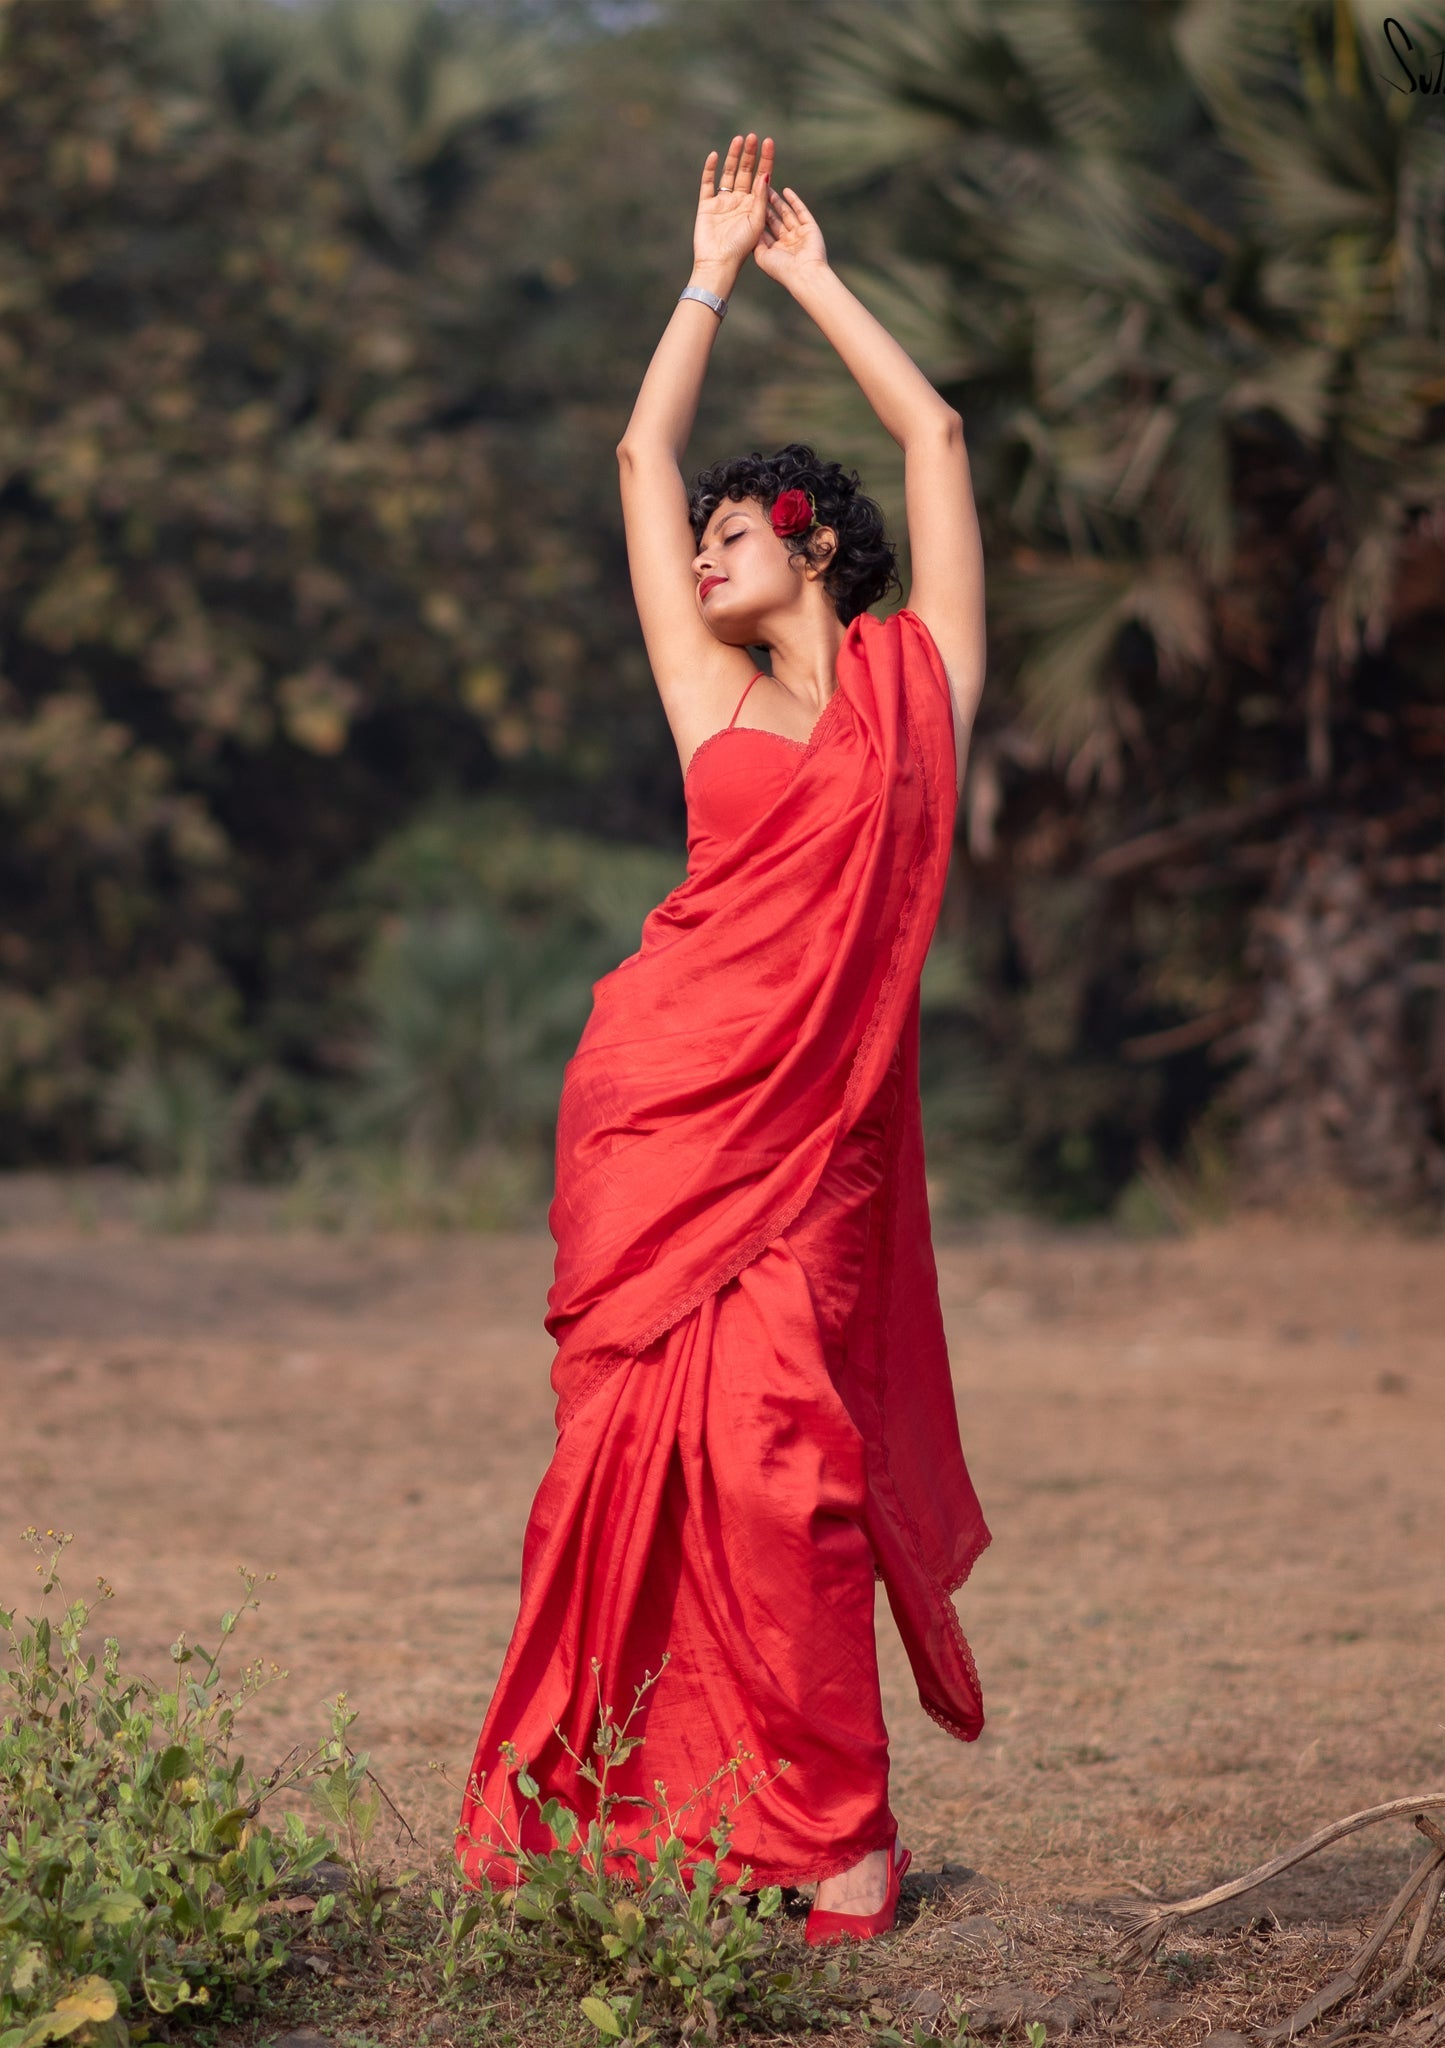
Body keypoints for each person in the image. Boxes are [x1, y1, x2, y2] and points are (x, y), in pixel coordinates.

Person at [457, 132, 990, 1944]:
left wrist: (809, 278)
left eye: (729, 534)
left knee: (791, 1483)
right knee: (617, 1481)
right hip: (657, 1117)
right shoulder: (712, 696)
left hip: (816, 1149)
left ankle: (840, 1835)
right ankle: (637, 1824)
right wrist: (699, 274)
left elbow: (940, 444)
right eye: (698, 537)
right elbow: (635, 451)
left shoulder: (920, 688)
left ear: (810, 548)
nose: (695, 553)